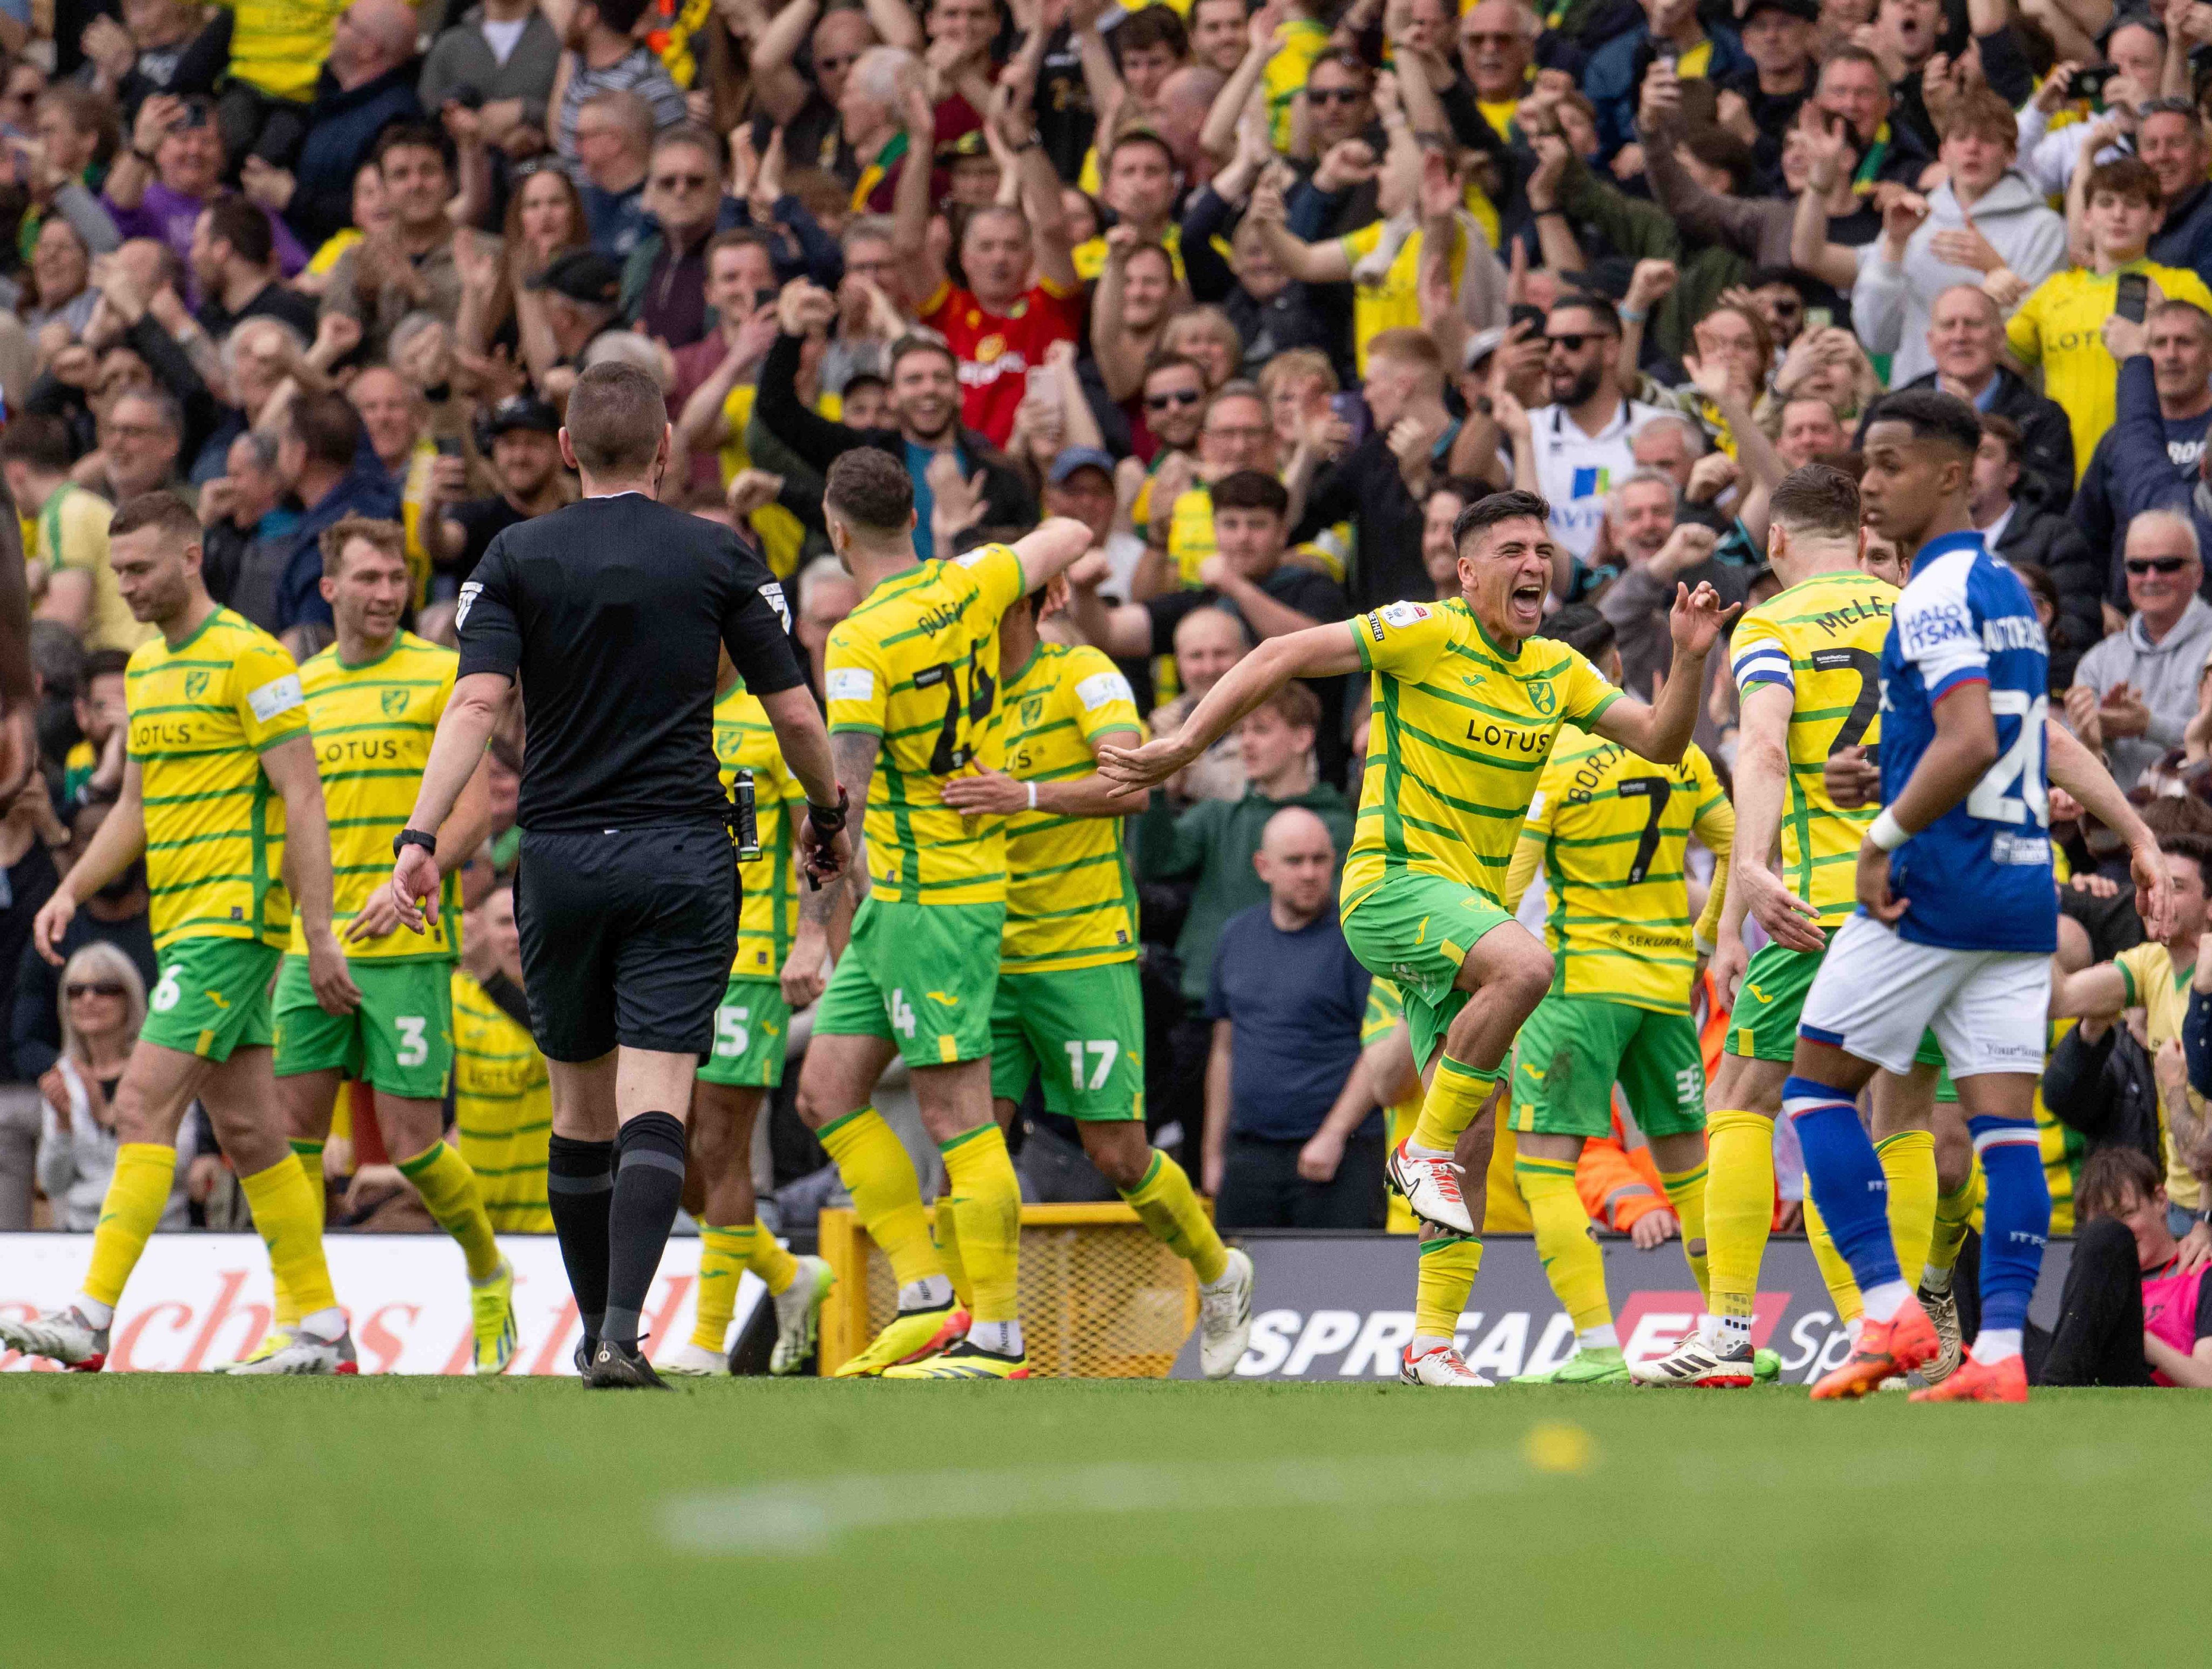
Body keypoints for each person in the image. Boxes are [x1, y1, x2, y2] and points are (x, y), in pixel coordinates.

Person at [1103, 489, 1735, 1387]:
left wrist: (1685, 659)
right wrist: (1185, 743)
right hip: (1391, 887)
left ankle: (1431, 1341)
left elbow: (1663, 744)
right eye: (1511, 549)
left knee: (1476, 1128)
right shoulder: (1423, 631)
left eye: (1543, 550)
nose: (1534, 564)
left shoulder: (1558, 668)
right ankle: (1420, 1150)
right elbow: (1283, 651)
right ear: (1467, 571)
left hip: (1463, 919)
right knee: (1527, 967)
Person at [389, 361, 848, 1391]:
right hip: (680, 855)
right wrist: (827, 814)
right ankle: (618, 1336)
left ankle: (596, 1325)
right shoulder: (718, 555)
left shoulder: (513, 553)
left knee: (578, 1113)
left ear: (563, 450)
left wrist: (420, 838)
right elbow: (794, 718)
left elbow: (472, 708)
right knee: (656, 1103)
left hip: (557, 857)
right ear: (666, 448)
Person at [1789, 389, 2160, 1404]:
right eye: (1865, 463)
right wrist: (1884, 766)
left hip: (1933, 888)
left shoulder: (1932, 593)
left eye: (1893, 463)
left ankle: (1884, 1309)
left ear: (1954, 475)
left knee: (1814, 1088)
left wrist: (1880, 834)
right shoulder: (2006, 594)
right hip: (2013, 890)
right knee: (2002, 1128)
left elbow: (1971, 739)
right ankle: (1998, 1350)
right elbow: (2015, 733)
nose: (1868, 483)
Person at [2, 492, 355, 1375]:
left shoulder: (253, 657)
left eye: (141, 569)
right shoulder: (150, 666)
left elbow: (304, 797)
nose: (128, 586)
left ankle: (91, 1316)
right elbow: (135, 806)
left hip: (233, 922)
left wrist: (317, 932)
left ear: (192, 558)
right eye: (117, 572)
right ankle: (319, 1325)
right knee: (250, 1133)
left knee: (140, 1102)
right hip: (183, 920)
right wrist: (72, 888)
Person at [792, 450, 1092, 1382]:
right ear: (914, 514)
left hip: (942, 900)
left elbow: (840, 795)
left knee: (957, 1113)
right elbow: (1074, 532)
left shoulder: (858, 640)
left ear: (837, 531)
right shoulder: (975, 577)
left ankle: (997, 1334)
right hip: (906, 907)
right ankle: (925, 1295)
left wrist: (810, 930)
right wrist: (1023, 579)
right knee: (826, 1091)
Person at [933, 561, 1255, 1377]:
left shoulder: (1084, 671)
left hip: (1083, 949)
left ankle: (1220, 1272)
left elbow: (1135, 786)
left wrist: (1029, 796)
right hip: (985, 949)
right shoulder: (958, 694)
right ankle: (984, 1332)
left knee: (1117, 1153)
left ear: (1036, 602)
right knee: (969, 1145)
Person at [1632, 464, 1900, 1388]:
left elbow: (1766, 752)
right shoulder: (1913, 611)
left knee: (1743, 1097)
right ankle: (1907, 1322)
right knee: (1901, 1112)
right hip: (1927, 902)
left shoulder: (1773, 625)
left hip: (1820, 905)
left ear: (1776, 542)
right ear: (1862, 537)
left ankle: (1731, 1328)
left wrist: (1743, 894)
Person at [256, 516, 513, 1374]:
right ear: (328, 588)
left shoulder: (441, 675)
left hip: (404, 942)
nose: (386, 592)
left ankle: (488, 1266)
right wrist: (306, 928)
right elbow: (286, 822)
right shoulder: (299, 688)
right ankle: (305, 1320)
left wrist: (417, 868)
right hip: (314, 944)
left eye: (396, 577)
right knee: (288, 1138)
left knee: (412, 1143)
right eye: (367, 577)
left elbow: (476, 805)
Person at [1498, 605, 1736, 1384]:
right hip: (1667, 990)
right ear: (1620, 669)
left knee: (1544, 1166)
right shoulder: (1685, 757)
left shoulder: (1554, 760)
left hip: (1578, 989)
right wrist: (1703, 939)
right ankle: (1728, 1334)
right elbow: (1740, 846)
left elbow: (1511, 880)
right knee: (1693, 1169)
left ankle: (1599, 1347)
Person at [656, 674, 839, 1380]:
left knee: (720, 1141)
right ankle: (786, 1273)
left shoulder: (777, 717)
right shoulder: (660, 704)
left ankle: (707, 1340)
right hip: (667, 954)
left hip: (750, 953)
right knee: (656, 1141)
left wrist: (812, 939)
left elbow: (823, 839)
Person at [1205, 806, 1380, 1230]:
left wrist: (1334, 1135)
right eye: (1295, 861)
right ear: (1263, 866)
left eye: (1320, 860)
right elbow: (1224, 1050)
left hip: (1339, 1155)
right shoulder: (1236, 936)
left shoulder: (1357, 938)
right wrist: (1212, 1154)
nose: (1309, 873)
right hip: (1250, 1152)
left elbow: (1381, 1046)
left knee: (1336, 1291)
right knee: (1239, 1285)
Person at [2006, 158, 2212, 489]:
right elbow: (1999, 368)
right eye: (2106, 203)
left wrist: (2164, 330)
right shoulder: (2053, 292)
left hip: (2158, 479)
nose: (2118, 215)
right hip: (2065, 482)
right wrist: (1990, 293)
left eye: (2132, 205)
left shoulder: (2185, 288)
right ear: (2086, 217)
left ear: (2156, 218)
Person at [2034, 1146, 2212, 1386]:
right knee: (1969, 1244)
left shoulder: (2200, 1275)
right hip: (2086, 1381)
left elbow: (2208, 1382)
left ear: (2160, 1200)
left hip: (2151, 1397)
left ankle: (2054, 1391)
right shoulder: (2096, 1279)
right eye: (2105, 1221)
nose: (2123, 1234)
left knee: (2109, 1237)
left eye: (2127, 1214)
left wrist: (2137, 1338)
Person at [2069, 510, 2212, 792]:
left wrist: (2148, 725)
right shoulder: (2097, 661)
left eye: (2167, 564)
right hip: (2117, 829)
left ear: (2198, 574)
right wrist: (2095, 737)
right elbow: (2077, 770)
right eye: (2137, 566)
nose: (2151, 577)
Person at [35, 944, 173, 1233]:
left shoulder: (162, 1068)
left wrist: (108, 1116)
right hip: (82, 1232)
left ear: (131, 998)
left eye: (105, 989)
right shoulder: (65, 1076)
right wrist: (63, 1124)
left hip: (159, 1230)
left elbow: (180, 1165)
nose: (88, 998)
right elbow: (53, 1183)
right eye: (76, 990)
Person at [1523, 298, 1661, 577]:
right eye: (1550, 344)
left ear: (1611, 350)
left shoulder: (1659, 430)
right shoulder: (1525, 429)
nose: (1557, 355)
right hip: (1546, 609)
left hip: (1640, 601)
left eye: (1572, 342)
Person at [450, 877, 554, 1234]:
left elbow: (556, 1039)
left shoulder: (566, 993)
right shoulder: (455, 995)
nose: (516, 935)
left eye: (524, 919)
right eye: (504, 923)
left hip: (549, 1225)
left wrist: (491, 978)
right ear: (478, 926)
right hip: (470, 1223)